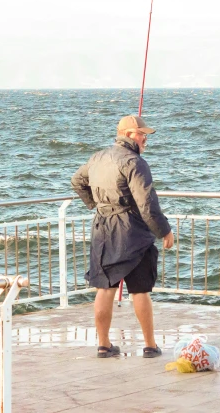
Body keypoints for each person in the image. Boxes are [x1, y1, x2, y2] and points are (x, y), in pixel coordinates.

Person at [71, 114, 174, 358]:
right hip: (133, 233)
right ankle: (150, 345)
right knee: (140, 290)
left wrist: (96, 204)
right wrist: (165, 231)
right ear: (129, 135)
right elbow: (148, 205)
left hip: (103, 230)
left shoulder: (98, 157)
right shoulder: (135, 163)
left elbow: (77, 180)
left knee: (104, 287)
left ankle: (104, 345)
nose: (145, 139)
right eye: (142, 134)